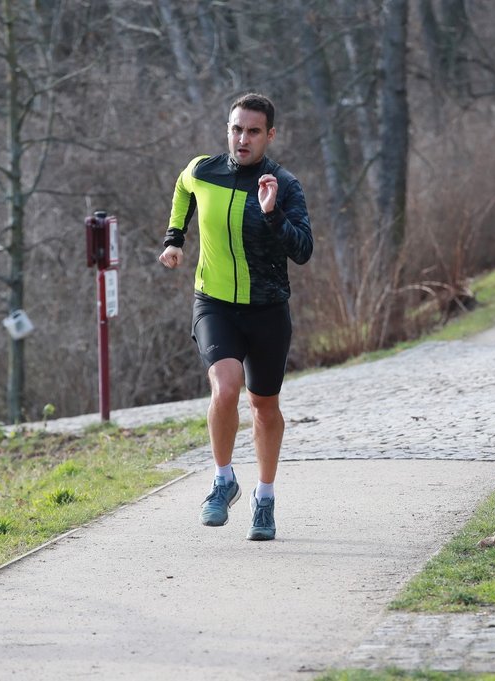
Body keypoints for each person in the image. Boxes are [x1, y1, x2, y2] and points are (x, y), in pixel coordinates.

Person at [158, 92, 313, 541]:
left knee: (264, 407)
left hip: (267, 309)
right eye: (235, 128)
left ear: (270, 135)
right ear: (227, 128)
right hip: (215, 303)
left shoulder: (283, 184)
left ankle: (264, 499)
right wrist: (174, 238)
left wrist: (272, 213)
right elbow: (183, 189)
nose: (242, 139)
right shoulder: (203, 169)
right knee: (225, 388)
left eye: (252, 131)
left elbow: (302, 250)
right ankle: (223, 480)